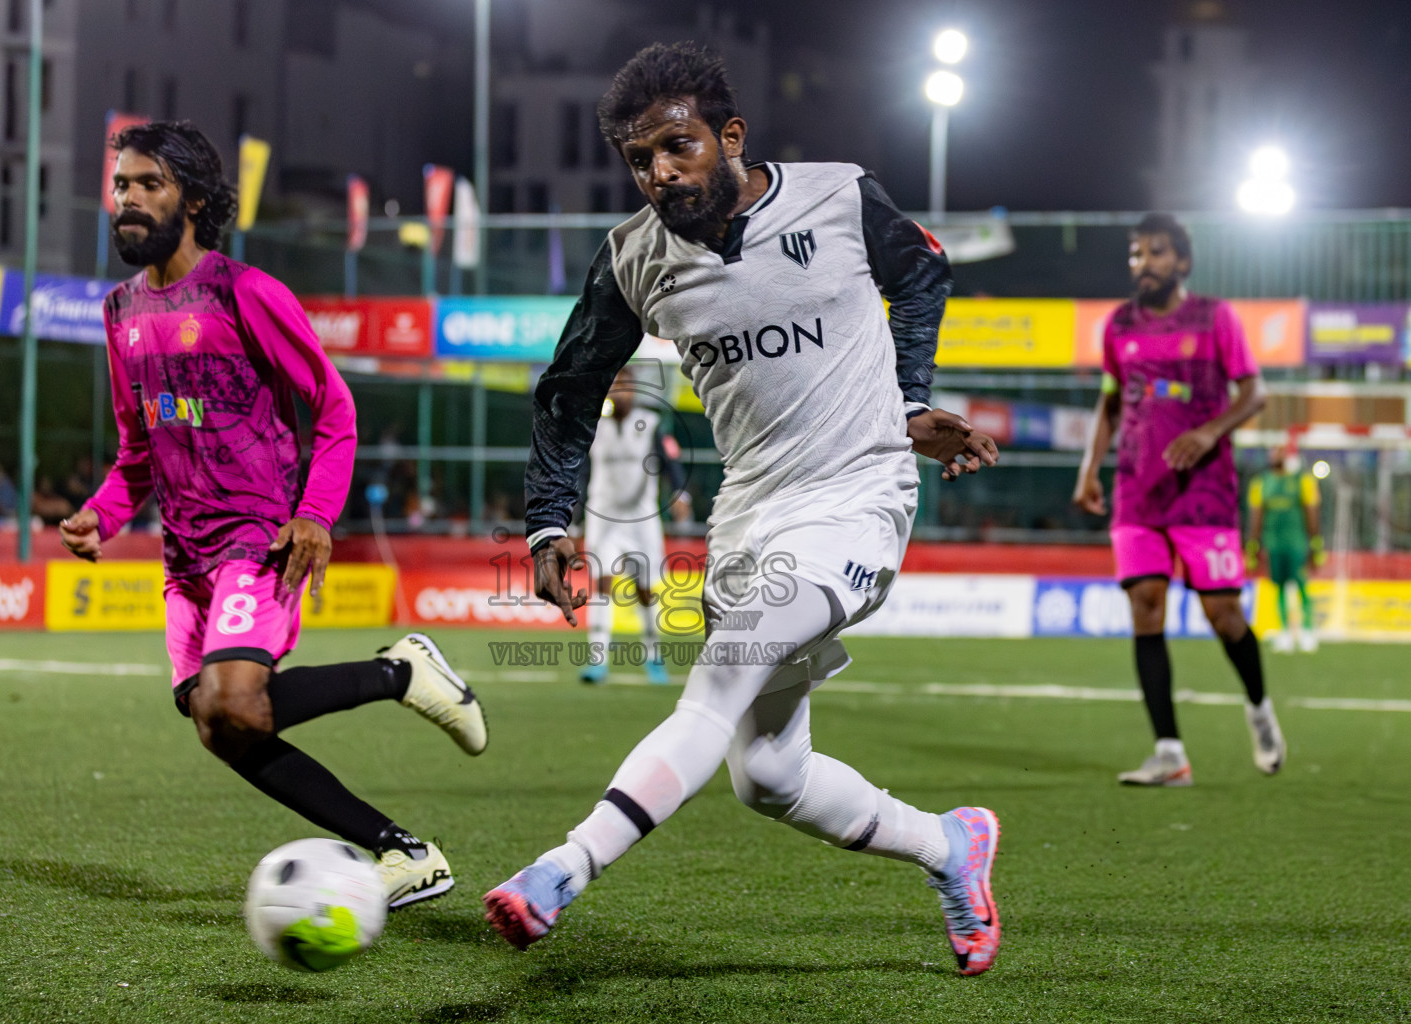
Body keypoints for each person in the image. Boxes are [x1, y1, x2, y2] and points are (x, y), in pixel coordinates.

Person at [482, 43, 1004, 976]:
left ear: (730, 136)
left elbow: (922, 268)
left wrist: (908, 398)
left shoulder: (838, 196)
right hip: (750, 519)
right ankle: (948, 845)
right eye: (640, 160)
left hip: (857, 496)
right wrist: (550, 524)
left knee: (720, 679)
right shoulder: (634, 257)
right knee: (769, 778)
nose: (660, 173)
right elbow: (569, 390)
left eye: (677, 148)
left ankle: (563, 867)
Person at [58, 121, 487, 909]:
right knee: (221, 725)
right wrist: (100, 515)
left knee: (236, 701)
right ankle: (403, 851)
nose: (126, 200)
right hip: (184, 559)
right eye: (120, 185)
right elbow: (137, 453)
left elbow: (334, 408)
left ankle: (401, 673)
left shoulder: (245, 293)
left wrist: (317, 513)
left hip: (259, 536)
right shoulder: (119, 312)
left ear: (190, 197)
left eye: (146, 183)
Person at [1073, 212, 1285, 785]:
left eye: (1157, 253)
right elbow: (1112, 401)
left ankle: (1260, 708)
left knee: (1224, 615)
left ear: (1183, 262)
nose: (1144, 264)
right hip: (1137, 492)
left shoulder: (1215, 318)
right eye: (1137, 254)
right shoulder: (1119, 324)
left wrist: (1209, 431)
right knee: (1145, 606)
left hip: (1204, 493)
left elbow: (1255, 392)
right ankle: (1169, 753)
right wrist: (1090, 468)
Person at [578, 364, 691, 685]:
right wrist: (574, 521)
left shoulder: (651, 423)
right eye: (614, 384)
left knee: (644, 590)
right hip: (602, 517)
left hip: (641, 520)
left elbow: (671, 463)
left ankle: (654, 657)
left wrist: (680, 495)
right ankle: (597, 659)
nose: (619, 391)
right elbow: (581, 473)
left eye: (624, 384)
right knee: (602, 583)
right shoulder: (594, 427)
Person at [1247, 446, 1325, 653]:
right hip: (1273, 544)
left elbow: (1312, 512)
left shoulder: (1303, 481)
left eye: (1279, 453)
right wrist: (1253, 546)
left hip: (1297, 543)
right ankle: (1284, 632)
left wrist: (1315, 542)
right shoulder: (1260, 482)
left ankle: (1307, 630)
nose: (1274, 457)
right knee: (1278, 588)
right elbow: (1256, 516)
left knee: (1302, 586)